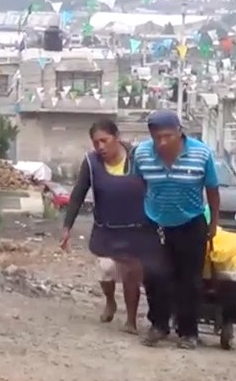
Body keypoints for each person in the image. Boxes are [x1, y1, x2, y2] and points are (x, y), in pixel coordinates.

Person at [60, 119, 163, 334]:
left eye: (104, 141)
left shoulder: (139, 158)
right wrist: (67, 227)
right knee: (106, 270)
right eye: (95, 142)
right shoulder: (91, 163)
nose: (100, 147)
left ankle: (131, 321)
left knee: (131, 273)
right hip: (107, 229)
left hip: (136, 229)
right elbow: (78, 194)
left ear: (117, 137)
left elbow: (157, 188)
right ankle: (110, 301)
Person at [133, 109, 221, 350]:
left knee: (189, 280)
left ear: (179, 132)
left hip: (191, 224)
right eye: (157, 136)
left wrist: (213, 225)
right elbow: (138, 186)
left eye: (168, 136)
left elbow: (212, 192)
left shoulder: (201, 153)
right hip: (155, 223)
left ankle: (188, 332)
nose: (162, 142)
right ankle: (159, 325)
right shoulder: (141, 154)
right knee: (154, 277)